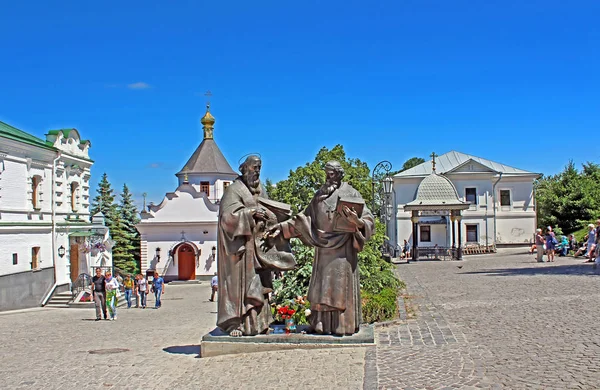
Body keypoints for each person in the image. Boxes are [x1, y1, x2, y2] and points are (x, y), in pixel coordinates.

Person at [274, 160, 374, 336]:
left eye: (332, 173)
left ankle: (342, 326)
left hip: (343, 253)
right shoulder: (319, 196)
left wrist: (357, 222)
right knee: (321, 289)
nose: (329, 177)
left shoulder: (351, 193)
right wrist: (282, 228)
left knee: (340, 288)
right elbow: (304, 219)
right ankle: (321, 325)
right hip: (323, 251)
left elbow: (368, 219)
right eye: (327, 173)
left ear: (340, 174)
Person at [216, 155, 295, 337]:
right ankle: (236, 323)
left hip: (258, 248)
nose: (257, 171)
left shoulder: (260, 190)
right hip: (240, 252)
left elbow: (267, 211)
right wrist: (251, 212)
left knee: (259, 285)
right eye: (254, 168)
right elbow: (227, 218)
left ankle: (260, 323)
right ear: (244, 169)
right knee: (241, 287)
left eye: (259, 167)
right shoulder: (234, 190)